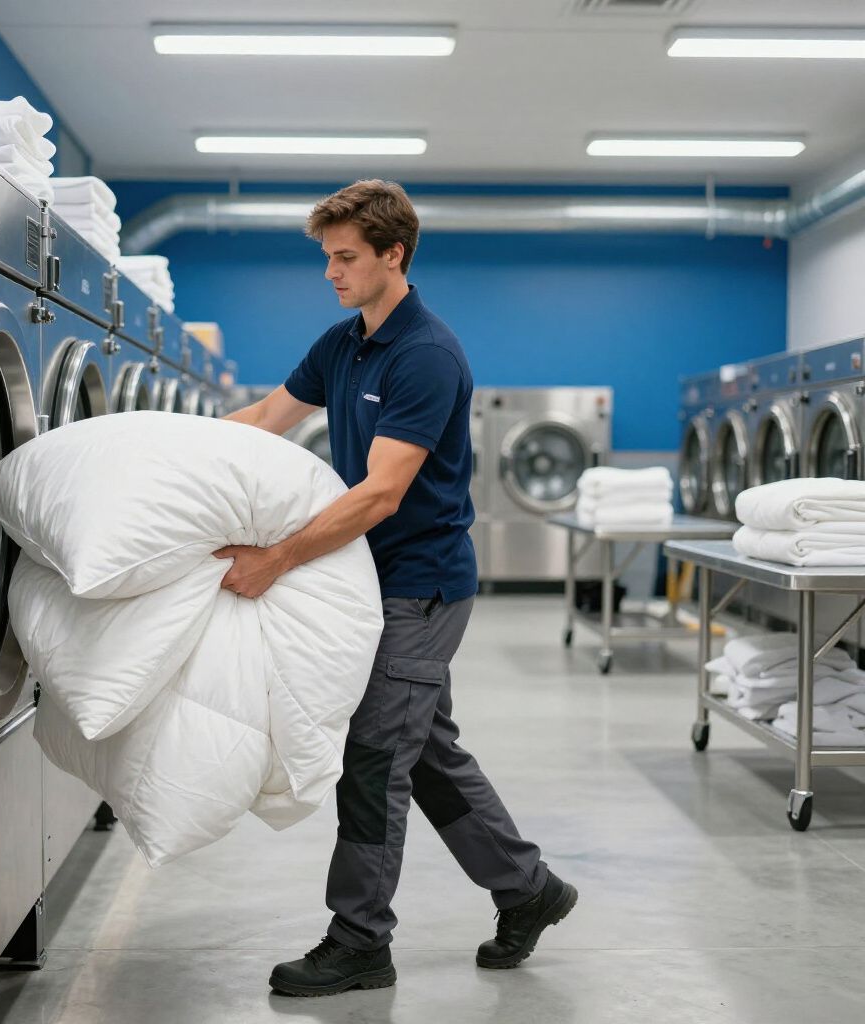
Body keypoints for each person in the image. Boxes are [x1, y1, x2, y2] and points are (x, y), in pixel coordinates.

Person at [219, 179, 576, 997]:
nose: (331, 273)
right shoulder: (344, 344)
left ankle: (360, 939)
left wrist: (277, 557)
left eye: (345, 258)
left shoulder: (426, 355)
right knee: (428, 751)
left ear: (393, 255)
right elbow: (273, 412)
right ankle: (530, 889)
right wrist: (164, 443)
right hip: (366, 580)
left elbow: (382, 493)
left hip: (418, 588)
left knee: (375, 756)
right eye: (327, 259)